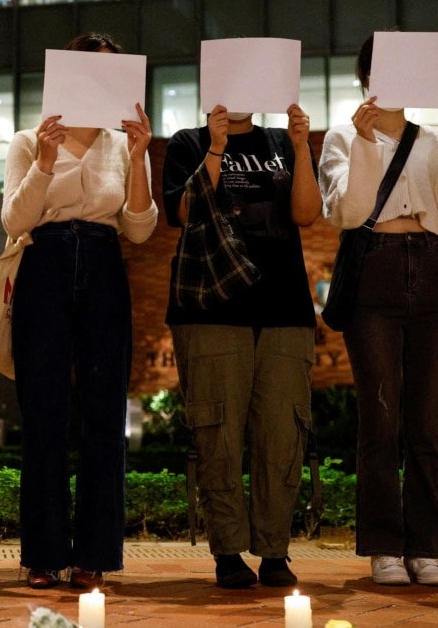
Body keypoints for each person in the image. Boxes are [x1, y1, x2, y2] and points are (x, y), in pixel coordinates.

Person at [319, 33, 438, 587]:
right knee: (380, 419)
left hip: (434, 268)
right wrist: (364, 144)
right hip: (376, 270)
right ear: (366, 76)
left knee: (427, 423)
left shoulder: (435, 137)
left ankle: (427, 548)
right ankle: (385, 546)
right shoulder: (342, 136)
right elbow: (346, 211)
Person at [3, 32, 157, 590]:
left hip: (103, 263)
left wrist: (140, 159)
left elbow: (140, 227)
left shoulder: (122, 144)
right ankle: (43, 554)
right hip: (44, 263)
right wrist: (45, 162)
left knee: (103, 412)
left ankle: (95, 553)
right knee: (43, 413)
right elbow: (14, 223)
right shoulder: (30, 138)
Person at [163, 103, 320, 589]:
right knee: (217, 433)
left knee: (281, 435)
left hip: (284, 307)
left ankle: (274, 551)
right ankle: (227, 552)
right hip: (212, 308)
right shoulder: (188, 141)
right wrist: (215, 146)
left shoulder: (280, 141)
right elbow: (184, 211)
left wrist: (300, 147)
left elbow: (307, 214)